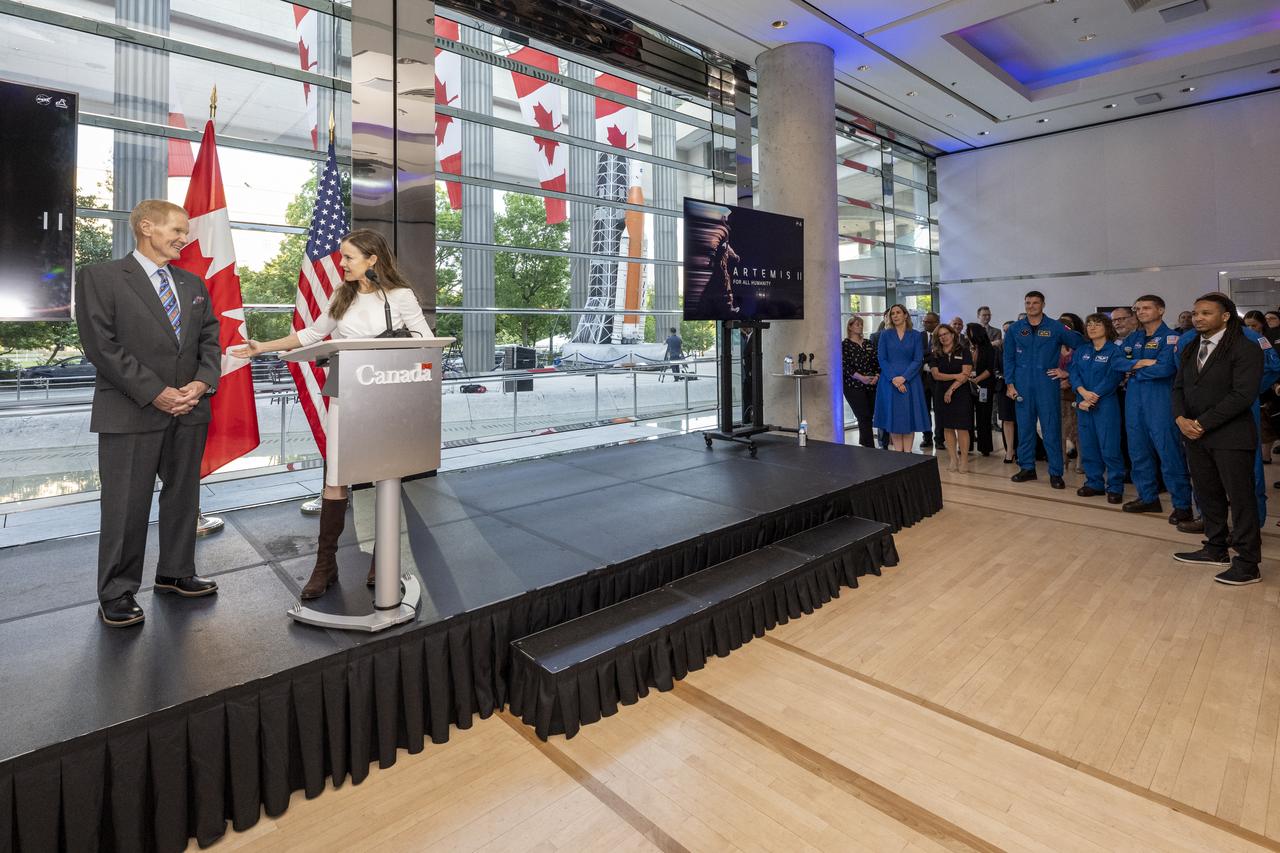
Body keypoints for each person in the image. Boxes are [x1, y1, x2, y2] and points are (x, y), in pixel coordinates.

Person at [233, 229, 433, 597]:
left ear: (373, 260)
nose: (341, 264)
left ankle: (383, 560)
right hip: (346, 394)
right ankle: (325, 565)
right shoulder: (342, 294)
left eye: (348, 258)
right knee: (336, 479)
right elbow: (311, 336)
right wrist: (263, 347)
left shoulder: (400, 297)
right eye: (341, 257)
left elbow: (424, 341)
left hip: (388, 397)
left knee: (383, 478)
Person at [74, 199, 223, 627]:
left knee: (183, 497)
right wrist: (156, 392)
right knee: (125, 506)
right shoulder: (100, 277)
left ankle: (176, 572)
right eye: (177, 229)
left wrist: (202, 382)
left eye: (186, 231)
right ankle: (117, 592)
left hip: (190, 409)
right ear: (146, 227)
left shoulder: (194, 284)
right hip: (130, 410)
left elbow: (210, 340)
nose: (184, 238)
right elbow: (101, 346)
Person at [1172, 293, 1264, 585]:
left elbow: (1242, 395)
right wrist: (1180, 419)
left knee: (1241, 499)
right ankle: (1215, 548)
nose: (1198, 318)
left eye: (1206, 313)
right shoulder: (1190, 348)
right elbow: (1178, 388)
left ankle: (1248, 563)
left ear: (1225, 316)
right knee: (1208, 493)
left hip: (1230, 436)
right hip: (1195, 436)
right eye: (1196, 313)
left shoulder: (1245, 348)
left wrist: (1201, 423)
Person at [1111, 294, 1192, 522]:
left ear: (1161, 310)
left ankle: (1183, 505)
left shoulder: (1172, 339)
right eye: (1137, 309)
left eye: (1146, 308)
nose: (1141, 312)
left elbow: (1166, 369)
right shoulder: (1133, 338)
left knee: (1170, 454)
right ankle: (1148, 497)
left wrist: (1133, 369)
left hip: (1160, 402)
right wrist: (1141, 363)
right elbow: (1116, 362)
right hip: (1134, 402)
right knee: (1138, 453)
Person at [1004, 290, 1083, 489]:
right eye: (1028, 303)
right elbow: (1008, 358)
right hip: (1022, 385)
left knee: (1051, 429)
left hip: (1046, 384)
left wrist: (1066, 371)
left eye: (1035, 303)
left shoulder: (1056, 327)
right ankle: (1027, 468)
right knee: (1025, 428)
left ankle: (1056, 473)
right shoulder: (1015, 329)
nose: (1031, 306)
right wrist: (1010, 384)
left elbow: (1082, 346)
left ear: (1043, 304)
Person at [1070, 314, 1124, 503]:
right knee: (1088, 445)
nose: (1092, 327)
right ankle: (1094, 483)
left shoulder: (1114, 351)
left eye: (1097, 324)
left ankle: (1115, 486)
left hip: (1105, 404)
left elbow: (1113, 377)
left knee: (1109, 447)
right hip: (1083, 403)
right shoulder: (1081, 350)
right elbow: (1073, 373)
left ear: (1107, 327)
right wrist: (1083, 392)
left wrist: (1093, 396)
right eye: (1089, 324)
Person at [873, 304, 930, 452]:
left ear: (905, 315)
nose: (895, 316)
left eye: (898, 312)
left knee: (908, 418)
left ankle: (908, 453)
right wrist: (894, 379)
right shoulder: (885, 335)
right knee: (894, 419)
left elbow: (918, 360)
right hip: (889, 382)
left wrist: (903, 378)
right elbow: (882, 359)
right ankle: (898, 455)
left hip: (910, 381)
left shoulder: (916, 335)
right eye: (893, 314)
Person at [928, 324, 974, 471]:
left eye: (945, 334)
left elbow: (966, 374)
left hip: (961, 393)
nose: (943, 337)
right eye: (940, 335)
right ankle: (953, 459)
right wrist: (955, 376)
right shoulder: (935, 353)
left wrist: (951, 390)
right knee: (947, 427)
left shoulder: (964, 351)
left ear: (953, 334)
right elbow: (936, 375)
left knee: (962, 428)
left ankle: (964, 460)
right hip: (940, 392)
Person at [842, 316, 879, 448]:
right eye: (857, 324)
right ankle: (870, 447)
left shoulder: (868, 343)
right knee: (863, 415)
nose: (860, 326)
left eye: (861, 324)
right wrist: (860, 377)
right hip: (854, 386)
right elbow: (844, 366)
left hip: (871, 385)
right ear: (850, 327)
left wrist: (876, 376)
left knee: (870, 415)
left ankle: (864, 442)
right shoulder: (845, 345)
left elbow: (877, 362)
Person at [1056, 312, 1085, 469]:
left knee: (1077, 429)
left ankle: (1081, 460)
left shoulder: (1079, 346)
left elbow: (1084, 368)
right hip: (1057, 392)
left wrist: (1069, 378)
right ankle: (1062, 459)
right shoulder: (1052, 347)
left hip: (1075, 391)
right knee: (1059, 429)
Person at [966, 323, 996, 456]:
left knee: (983, 417)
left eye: (971, 332)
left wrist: (977, 380)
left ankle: (985, 447)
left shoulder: (989, 349)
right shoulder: (967, 348)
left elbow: (990, 369)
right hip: (968, 385)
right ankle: (967, 445)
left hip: (984, 386)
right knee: (967, 417)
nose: (969, 335)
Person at [920, 312, 942, 449]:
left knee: (939, 411)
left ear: (937, 322)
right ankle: (926, 438)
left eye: (929, 322)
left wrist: (927, 355)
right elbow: (918, 353)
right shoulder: (919, 336)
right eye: (924, 322)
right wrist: (930, 353)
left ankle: (939, 439)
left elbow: (940, 353)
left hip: (938, 379)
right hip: (922, 380)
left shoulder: (942, 335)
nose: (926, 324)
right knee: (924, 410)